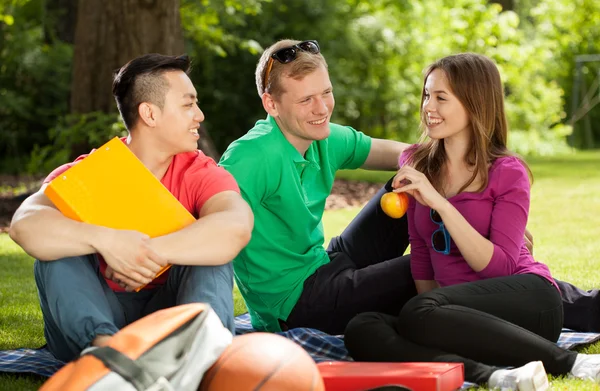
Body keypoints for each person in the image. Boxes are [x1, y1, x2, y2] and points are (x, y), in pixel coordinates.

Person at [219, 38, 599, 337]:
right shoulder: (252, 157)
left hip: (326, 262)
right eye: (306, 100)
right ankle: (586, 307)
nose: (322, 108)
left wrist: (488, 210)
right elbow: (203, 213)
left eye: (326, 93)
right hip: (297, 302)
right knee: (447, 262)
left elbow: (409, 154)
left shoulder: (321, 136)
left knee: (412, 177)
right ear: (271, 103)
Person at [343, 53, 600, 389]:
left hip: (529, 300)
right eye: (426, 95)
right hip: (457, 310)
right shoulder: (415, 162)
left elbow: (499, 268)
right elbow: (421, 251)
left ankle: (573, 363)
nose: (428, 107)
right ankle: (494, 376)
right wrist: (432, 319)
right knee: (362, 327)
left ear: (474, 102)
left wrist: (438, 202)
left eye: (441, 98)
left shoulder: (508, 172)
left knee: (418, 311)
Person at [9, 53, 254, 362]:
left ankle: (201, 353)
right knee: (53, 255)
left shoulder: (200, 171)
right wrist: (108, 241)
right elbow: (24, 225)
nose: (199, 115)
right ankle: (110, 358)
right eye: (188, 104)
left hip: (170, 316)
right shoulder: (91, 172)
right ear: (150, 114)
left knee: (212, 251)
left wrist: (148, 251)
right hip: (94, 317)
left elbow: (236, 226)